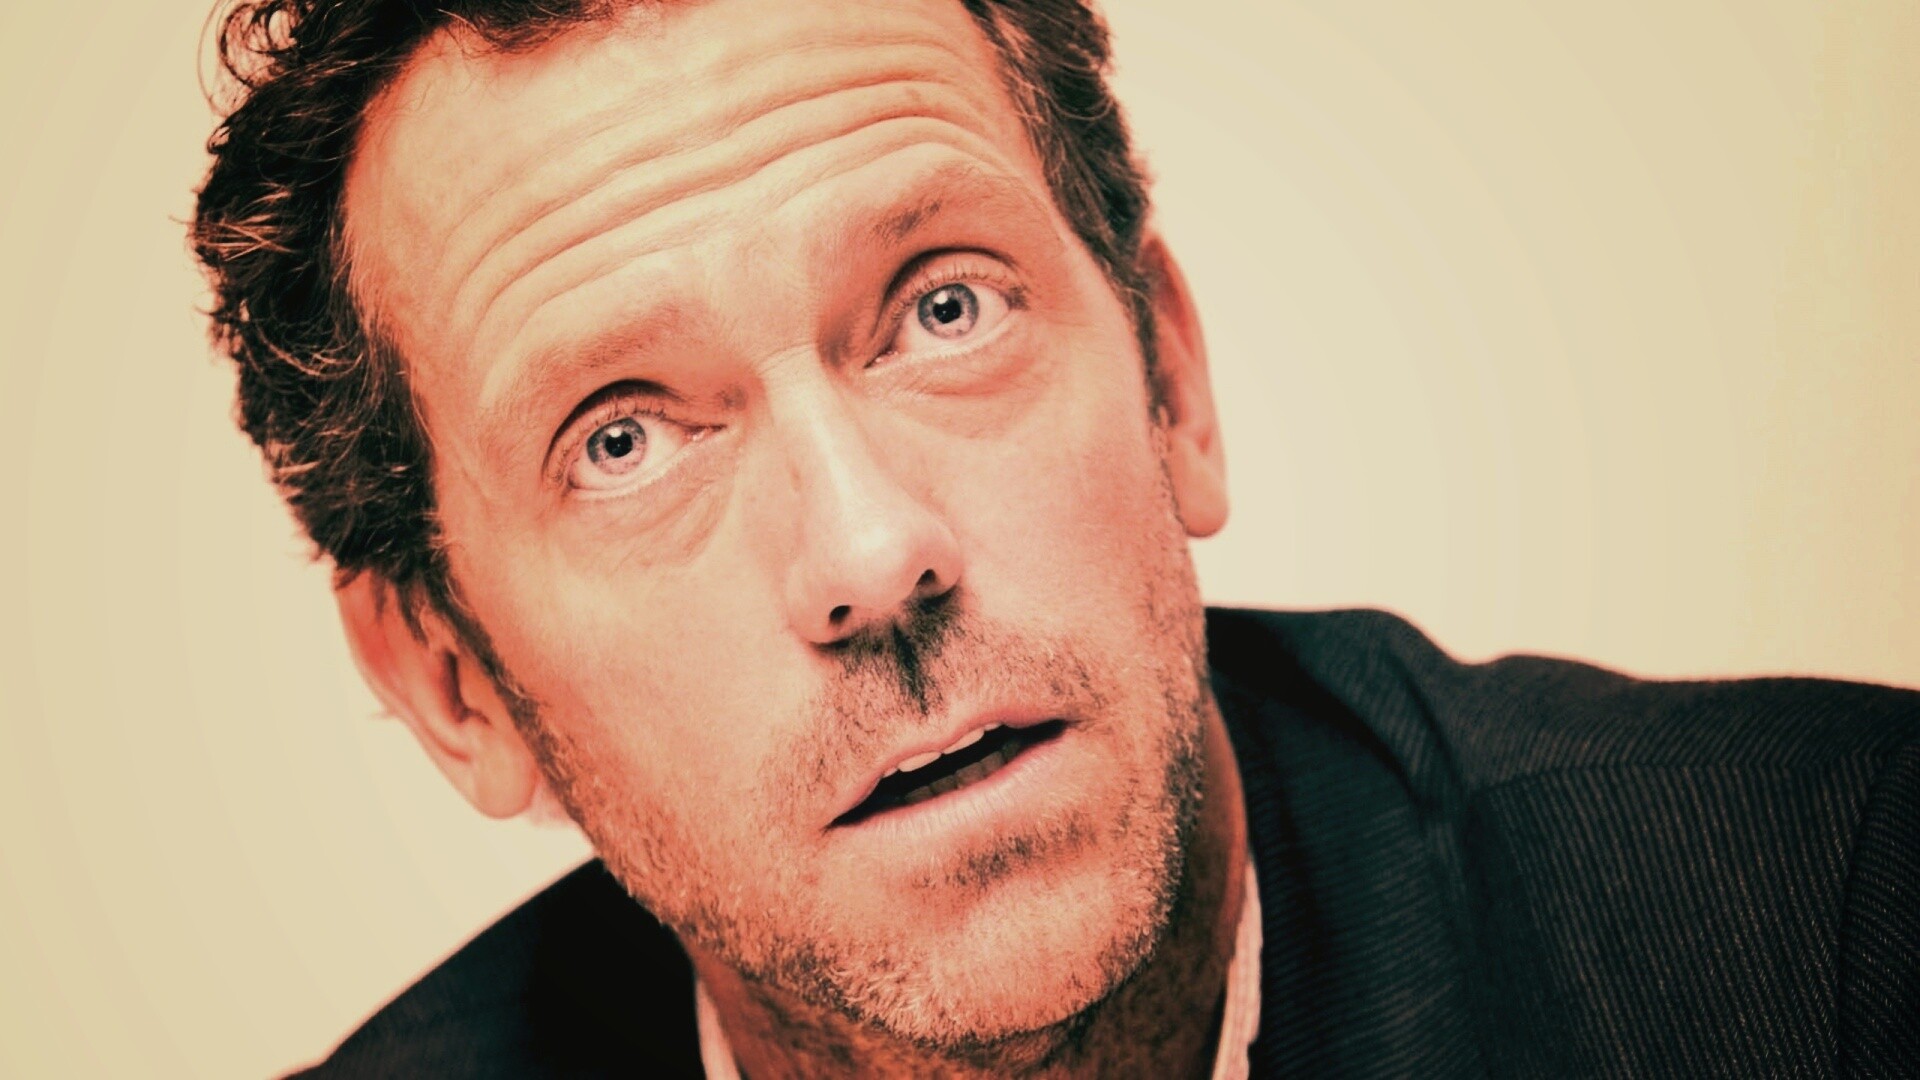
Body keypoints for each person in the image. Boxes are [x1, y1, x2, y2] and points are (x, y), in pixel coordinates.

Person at [190, 0, 1919, 1075]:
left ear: (1172, 379)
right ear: (453, 682)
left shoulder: (1838, 937)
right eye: (623, 439)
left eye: (944, 307)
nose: (874, 555)